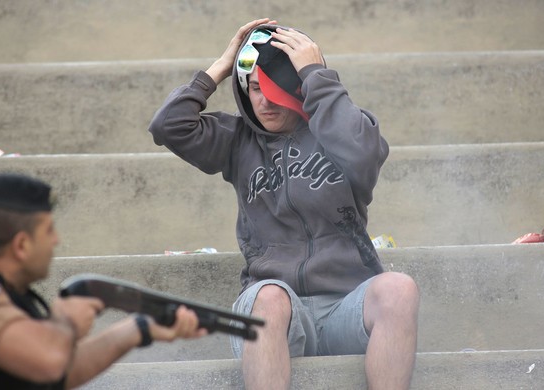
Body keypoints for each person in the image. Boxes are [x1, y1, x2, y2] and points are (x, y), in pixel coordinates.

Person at [148, 18, 420, 390]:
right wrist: (222, 66)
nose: (262, 101)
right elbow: (168, 126)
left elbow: (364, 151)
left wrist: (316, 75)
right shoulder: (237, 140)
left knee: (398, 288)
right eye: (253, 88)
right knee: (269, 296)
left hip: (346, 308)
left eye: (273, 88)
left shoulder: (343, 133)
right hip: (276, 313)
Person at [0, 173, 207, 389]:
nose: (56, 240)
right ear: (22, 245)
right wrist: (65, 321)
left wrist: (138, 328)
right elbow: (48, 362)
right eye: (48, 230)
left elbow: (55, 374)